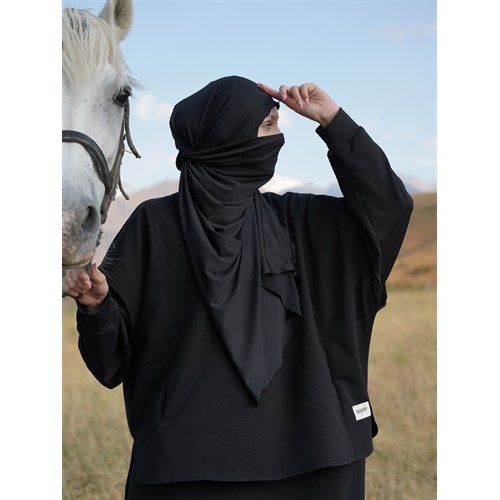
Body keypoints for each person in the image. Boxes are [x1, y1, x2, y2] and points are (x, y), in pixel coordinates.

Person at [63, 75, 413, 499]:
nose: (279, 138)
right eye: (267, 125)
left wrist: (334, 122)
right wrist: (97, 307)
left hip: (314, 461)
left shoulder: (300, 221)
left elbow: (387, 210)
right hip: (188, 472)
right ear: (225, 137)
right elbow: (111, 363)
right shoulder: (154, 227)